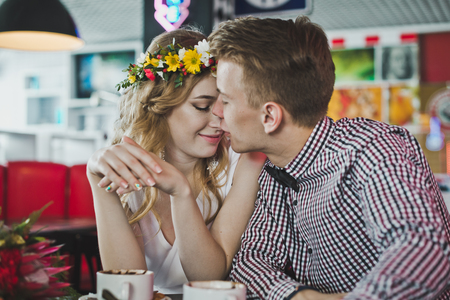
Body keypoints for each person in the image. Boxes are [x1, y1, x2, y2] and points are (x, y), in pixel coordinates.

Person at [208, 15, 450, 299]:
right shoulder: (274, 170)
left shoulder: (373, 149)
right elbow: (250, 261)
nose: (217, 112)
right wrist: (299, 296)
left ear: (270, 116)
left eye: (225, 100)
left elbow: (422, 251)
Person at [86, 28, 264, 294]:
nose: (220, 119)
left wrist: (181, 192)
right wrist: (98, 184)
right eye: (203, 106)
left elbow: (208, 276)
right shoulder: (129, 165)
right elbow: (128, 287)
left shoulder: (245, 160)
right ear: (161, 105)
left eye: (225, 103)